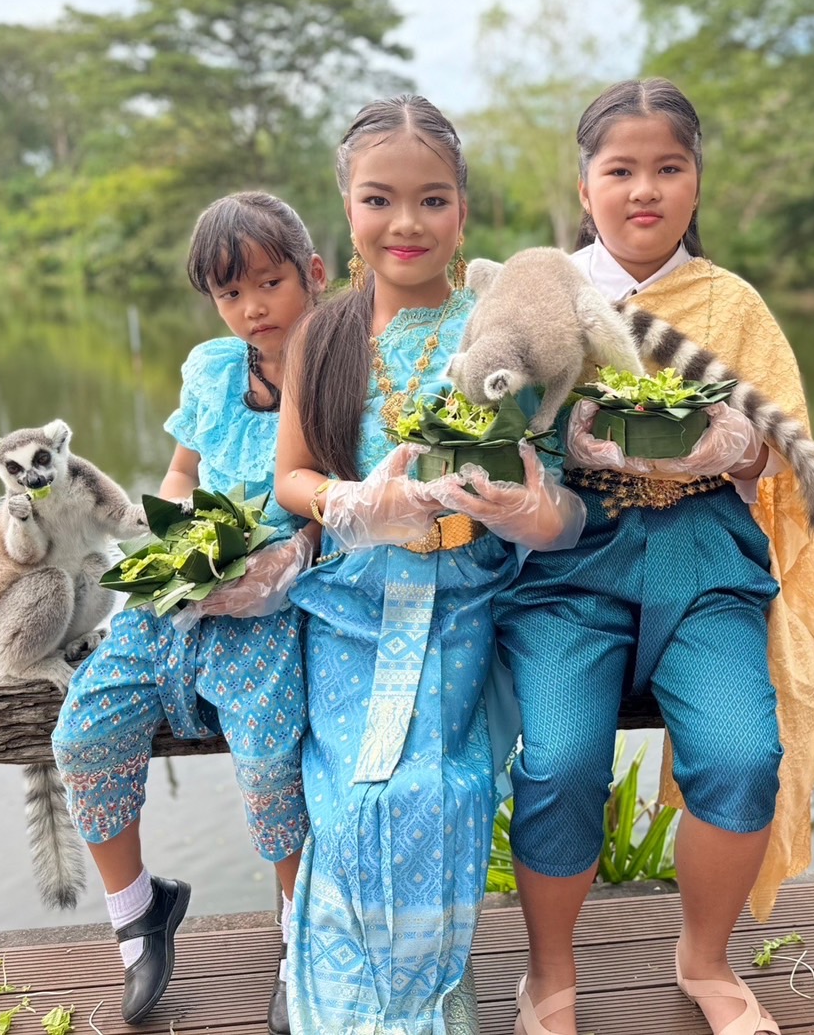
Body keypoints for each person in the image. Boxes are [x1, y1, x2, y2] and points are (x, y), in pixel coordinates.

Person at [495, 78, 814, 1035]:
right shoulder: (547, 292)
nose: (642, 190)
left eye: (667, 168)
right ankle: (550, 977)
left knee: (743, 754)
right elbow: (487, 412)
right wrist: (560, 442)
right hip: (570, 556)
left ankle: (705, 960)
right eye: (620, 170)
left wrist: (729, 445)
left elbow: (784, 440)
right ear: (584, 185)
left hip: (706, 554)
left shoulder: (730, 303)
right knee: (562, 758)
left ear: (696, 184)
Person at [273, 94, 585, 1035]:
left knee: (436, 794)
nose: (405, 223)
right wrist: (349, 501)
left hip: (461, 612)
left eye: (432, 200)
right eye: (379, 199)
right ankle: (338, 1003)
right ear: (346, 206)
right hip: (350, 613)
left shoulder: (505, 337)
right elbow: (290, 475)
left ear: (464, 212)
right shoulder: (319, 337)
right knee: (354, 800)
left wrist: (531, 511)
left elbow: (566, 514)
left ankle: (431, 996)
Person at [52, 191, 323, 1031]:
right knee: (85, 727)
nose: (252, 309)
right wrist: (177, 524)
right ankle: (138, 913)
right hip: (185, 581)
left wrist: (280, 557)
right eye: (230, 294)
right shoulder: (212, 366)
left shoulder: (344, 362)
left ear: (312, 275)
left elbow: (332, 495)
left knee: (271, 753)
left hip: (276, 591)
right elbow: (179, 471)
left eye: (269, 284)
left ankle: (297, 936)